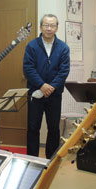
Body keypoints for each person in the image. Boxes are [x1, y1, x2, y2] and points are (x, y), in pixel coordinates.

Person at [23, 14, 70, 159]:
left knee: (54, 128)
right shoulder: (32, 46)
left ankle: (51, 161)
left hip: (54, 95)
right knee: (33, 128)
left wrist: (51, 87)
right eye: (46, 25)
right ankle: (31, 160)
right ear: (40, 27)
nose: (49, 28)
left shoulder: (63, 47)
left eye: (52, 25)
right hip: (35, 93)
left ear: (57, 28)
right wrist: (42, 85)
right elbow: (28, 69)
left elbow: (64, 71)